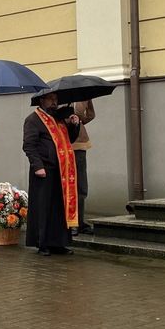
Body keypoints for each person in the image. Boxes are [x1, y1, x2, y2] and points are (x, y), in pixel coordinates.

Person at [23, 92, 80, 256]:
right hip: (44, 170)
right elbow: (29, 145)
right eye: (51, 100)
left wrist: (74, 125)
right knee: (44, 208)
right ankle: (43, 243)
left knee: (59, 208)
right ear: (42, 101)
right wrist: (37, 166)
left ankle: (59, 243)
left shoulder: (59, 119)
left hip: (61, 170)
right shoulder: (33, 120)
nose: (55, 103)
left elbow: (69, 140)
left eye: (56, 100)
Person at [68, 100, 96, 235]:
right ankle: (72, 223)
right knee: (70, 185)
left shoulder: (84, 97)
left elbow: (91, 115)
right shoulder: (61, 99)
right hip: (67, 144)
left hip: (80, 144)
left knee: (81, 186)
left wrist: (78, 121)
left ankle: (79, 221)